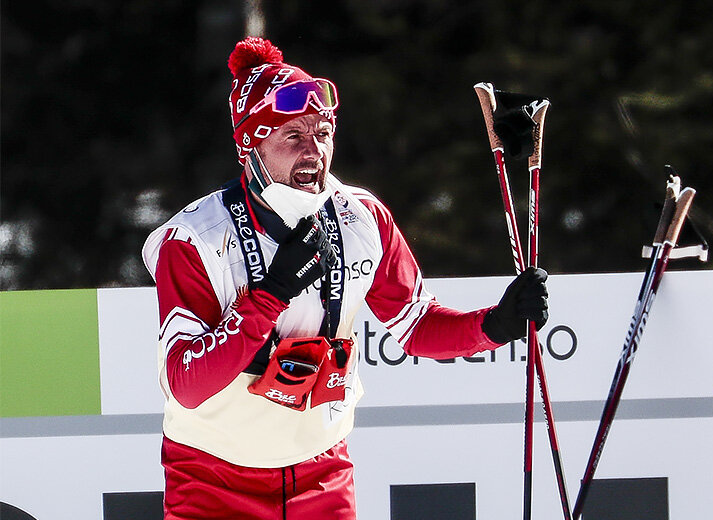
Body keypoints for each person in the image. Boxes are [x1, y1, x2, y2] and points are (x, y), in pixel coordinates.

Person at [142, 36, 548, 520]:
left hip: (321, 472)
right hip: (214, 478)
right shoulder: (194, 240)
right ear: (250, 144)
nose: (313, 152)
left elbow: (416, 326)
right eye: (292, 136)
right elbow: (186, 382)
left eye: (323, 133)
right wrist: (270, 295)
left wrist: (496, 325)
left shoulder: (361, 217)